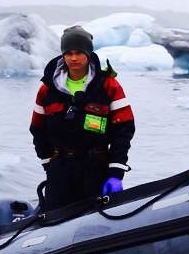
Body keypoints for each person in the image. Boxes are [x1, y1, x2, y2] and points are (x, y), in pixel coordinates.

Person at [30, 25, 135, 209]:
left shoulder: (109, 86)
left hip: (96, 170)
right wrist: (48, 164)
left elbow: (124, 130)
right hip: (59, 172)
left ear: (88, 53)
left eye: (79, 52)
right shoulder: (47, 89)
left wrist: (116, 172)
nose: (73, 58)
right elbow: (38, 129)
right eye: (68, 52)